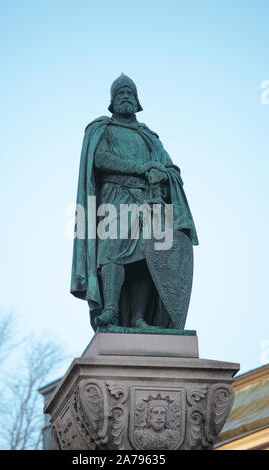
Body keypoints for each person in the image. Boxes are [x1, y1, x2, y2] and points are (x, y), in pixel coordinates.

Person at [70, 74, 198, 330]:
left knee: (147, 259)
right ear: (112, 102)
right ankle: (110, 310)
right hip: (115, 198)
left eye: (130, 93)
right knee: (112, 252)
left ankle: (139, 318)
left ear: (138, 101)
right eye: (120, 94)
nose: (125, 97)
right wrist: (143, 168)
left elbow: (172, 168)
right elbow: (101, 160)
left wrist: (163, 173)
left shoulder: (150, 137)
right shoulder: (102, 129)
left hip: (151, 202)